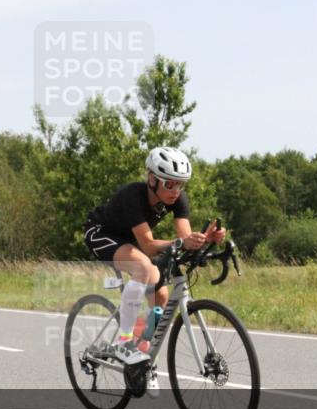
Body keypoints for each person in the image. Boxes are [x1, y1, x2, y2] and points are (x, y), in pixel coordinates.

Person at [83, 147, 227, 393]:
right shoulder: (134, 195)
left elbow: (184, 239)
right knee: (143, 266)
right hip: (103, 234)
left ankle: (146, 362)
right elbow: (148, 246)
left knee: (161, 296)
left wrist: (204, 240)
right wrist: (181, 243)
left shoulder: (178, 199)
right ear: (152, 179)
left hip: (133, 241)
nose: (175, 191)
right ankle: (123, 342)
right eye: (169, 184)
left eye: (180, 185)